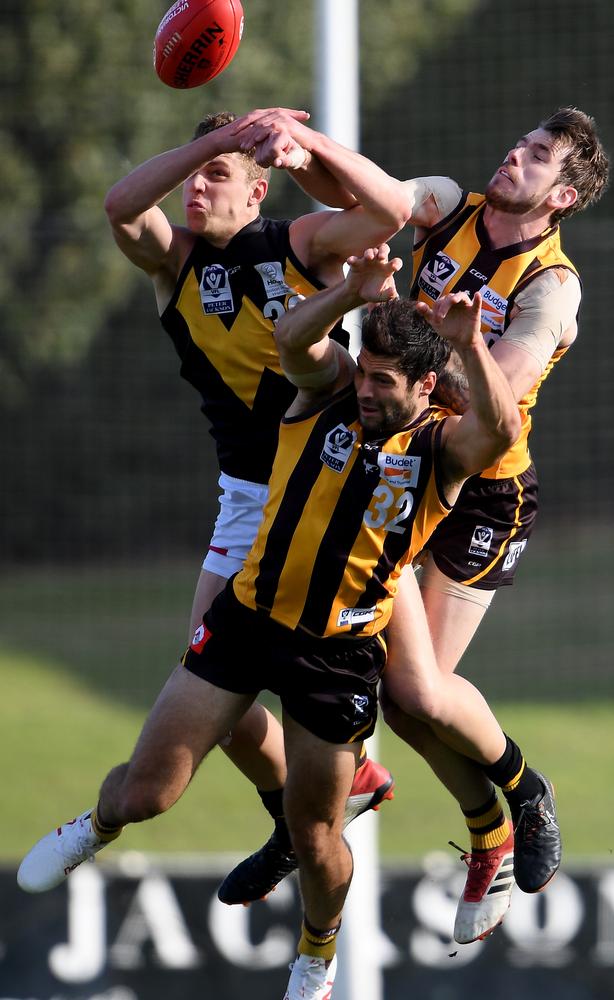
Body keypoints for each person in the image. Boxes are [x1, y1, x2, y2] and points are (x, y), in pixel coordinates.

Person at [17, 244, 522, 1000]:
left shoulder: (441, 453)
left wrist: (472, 343)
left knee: (317, 836)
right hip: (247, 622)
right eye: (365, 373)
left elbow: (505, 430)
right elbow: (292, 340)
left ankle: (316, 957)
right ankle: (96, 825)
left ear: (424, 387)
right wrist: (350, 290)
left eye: (384, 383)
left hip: (339, 660)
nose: (367, 392)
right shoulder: (324, 393)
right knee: (145, 796)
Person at [212, 105, 609, 942]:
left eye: (538, 156)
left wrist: (429, 335)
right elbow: (387, 198)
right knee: (392, 689)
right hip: (396, 456)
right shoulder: (452, 206)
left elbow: (492, 399)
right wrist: (300, 148)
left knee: (416, 693)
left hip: (479, 484)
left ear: (563, 194)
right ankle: (457, 823)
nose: (515, 154)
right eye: (521, 142)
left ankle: (520, 794)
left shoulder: (552, 285)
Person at [98, 109, 415, 870]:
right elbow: (120, 206)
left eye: (217, 177)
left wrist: (308, 144)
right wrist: (214, 141)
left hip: (336, 482)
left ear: (258, 192)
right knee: (209, 676)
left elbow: (392, 211)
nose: (196, 187)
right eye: (192, 174)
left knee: (414, 693)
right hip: (249, 493)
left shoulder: (298, 242)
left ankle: (499, 803)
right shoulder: (172, 264)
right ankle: (303, 812)